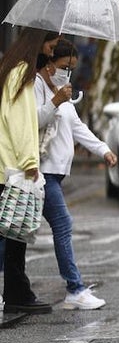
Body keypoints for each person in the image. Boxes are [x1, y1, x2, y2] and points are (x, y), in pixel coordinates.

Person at [33, 39, 111, 309]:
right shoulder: (37, 86)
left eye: (72, 69)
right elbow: (32, 121)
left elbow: (78, 128)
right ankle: (75, 289)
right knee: (62, 225)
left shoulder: (62, 92)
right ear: (50, 61)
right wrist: (55, 100)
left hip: (55, 174)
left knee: (14, 237)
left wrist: (103, 150)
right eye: (64, 66)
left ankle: (72, 290)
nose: (67, 73)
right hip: (40, 172)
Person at [1, 28, 56, 314]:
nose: (51, 52)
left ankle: (17, 291)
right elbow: (20, 122)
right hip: (14, 166)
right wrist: (29, 163)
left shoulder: (9, 69)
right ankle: (17, 292)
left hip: (6, 163)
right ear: (38, 43)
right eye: (50, 45)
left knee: (12, 235)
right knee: (14, 233)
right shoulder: (22, 74)